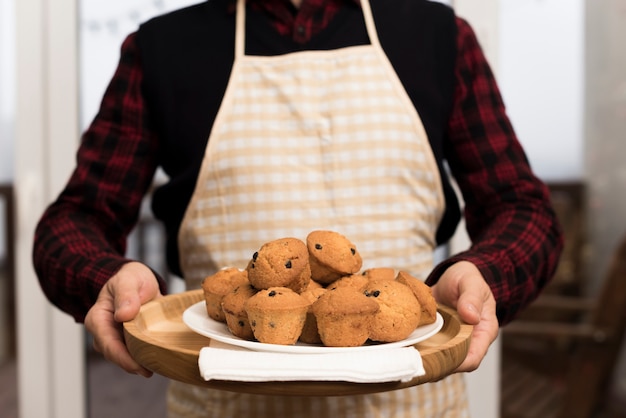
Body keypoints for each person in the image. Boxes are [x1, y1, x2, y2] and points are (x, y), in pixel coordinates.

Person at [33, 0, 563, 416]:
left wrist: (483, 273)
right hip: (224, 407)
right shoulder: (162, 48)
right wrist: (104, 277)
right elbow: (74, 219)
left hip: (412, 409)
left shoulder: (438, 37)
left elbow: (524, 208)